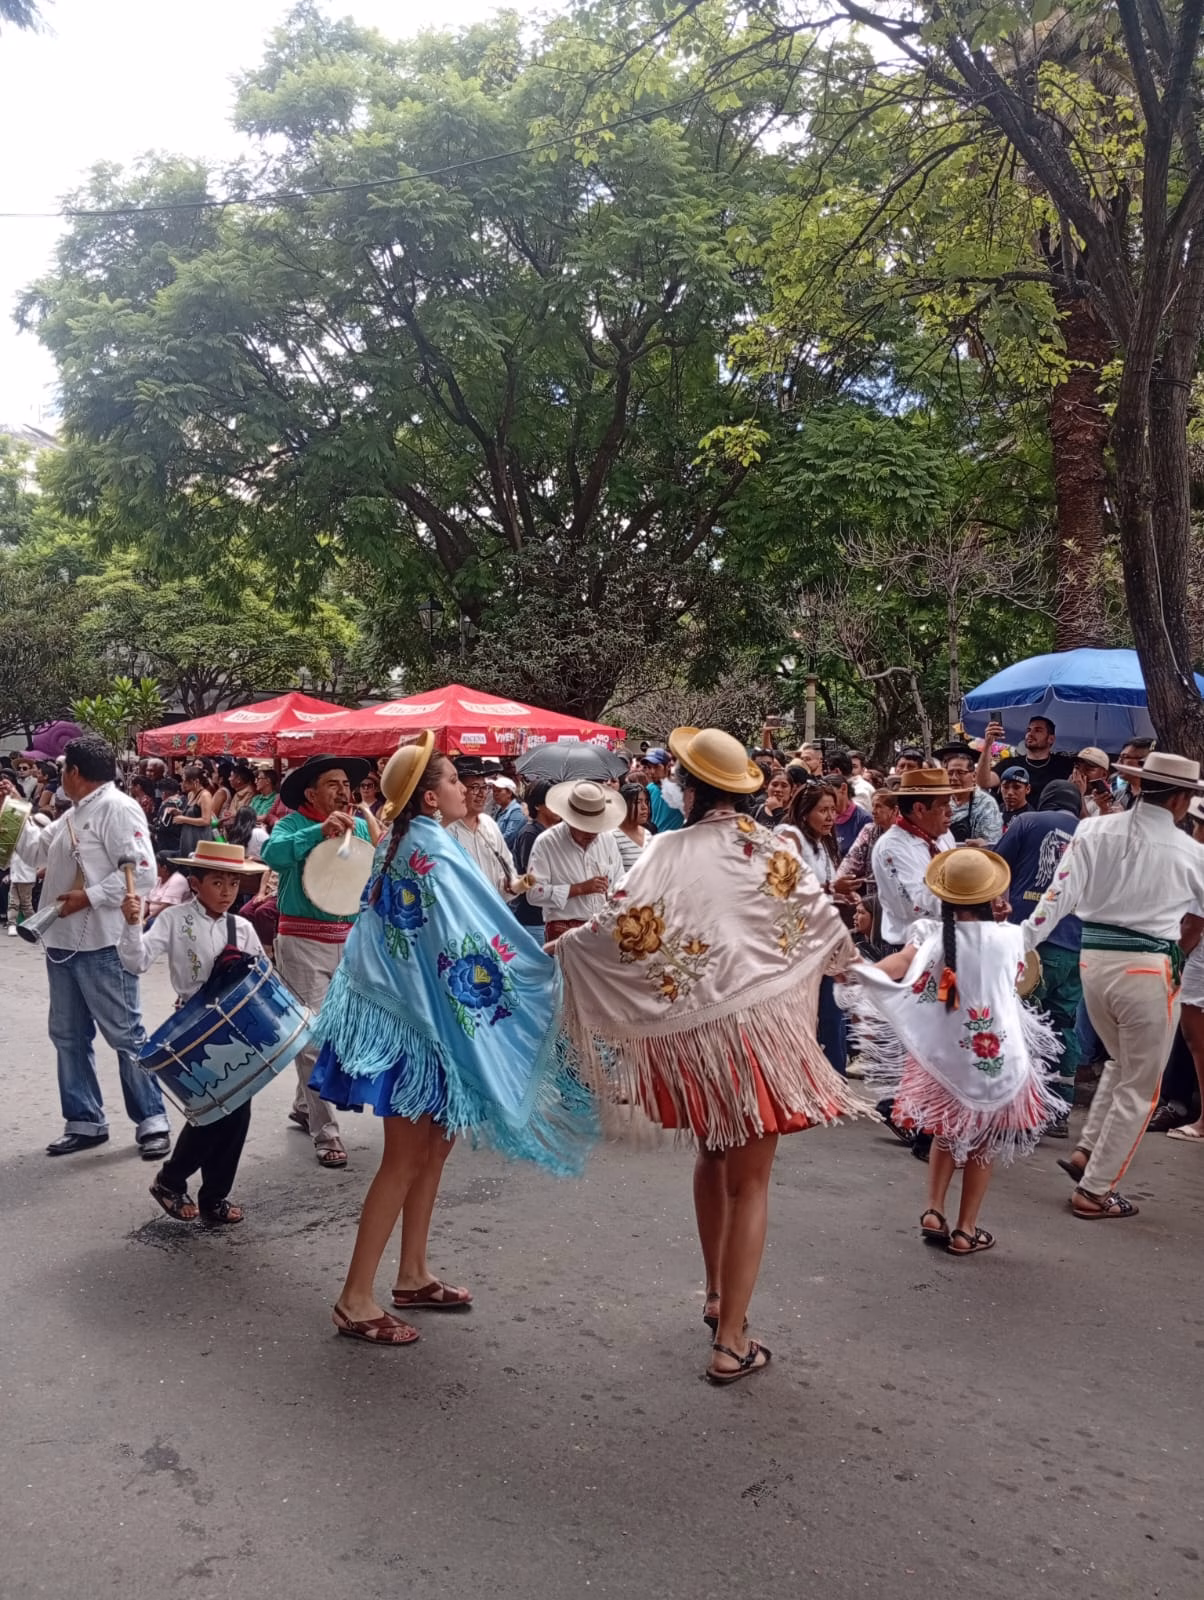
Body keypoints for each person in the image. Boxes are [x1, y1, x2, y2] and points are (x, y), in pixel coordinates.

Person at [556, 726, 871, 1385]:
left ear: (690, 790)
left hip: (701, 1041)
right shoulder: (773, 847)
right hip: (766, 1038)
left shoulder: (667, 848)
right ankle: (732, 1340)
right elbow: (823, 931)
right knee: (752, 1180)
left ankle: (715, 1294)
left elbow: (617, 925)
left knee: (712, 1155)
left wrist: (550, 956)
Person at [309, 732, 595, 1346]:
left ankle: (411, 1273)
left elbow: (459, 934)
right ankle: (355, 1297)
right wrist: (538, 963)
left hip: (418, 1021)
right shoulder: (428, 851)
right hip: (416, 1028)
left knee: (432, 1149)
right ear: (430, 797)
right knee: (406, 1158)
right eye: (451, 778)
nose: (465, 787)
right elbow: (470, 940)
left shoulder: (413, 842)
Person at [843, 848, 1063, 1255]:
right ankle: (965, 1229)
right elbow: (1049, 913)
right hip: (997, 1057)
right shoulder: (1012, 935)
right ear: (993, 896)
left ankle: (933, 1209)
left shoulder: (928, 933)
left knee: (945, 1132)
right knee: (984, 1144)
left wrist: (859, 971)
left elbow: (899, 964)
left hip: (945, 1056)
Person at [1020, 750, 1204, 1218]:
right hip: (1147, 970)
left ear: (1140, 786)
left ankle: (1088, 1153)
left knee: (1124, 1065)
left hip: (1094, 961)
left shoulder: (1093, 829)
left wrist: (1022, 941)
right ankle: (1095, 1190)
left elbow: (1057, 896)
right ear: (1182, 800)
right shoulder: (1191, 853)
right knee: (1142, 1086)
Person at [1, 737, 169, 1159]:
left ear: (75, 773)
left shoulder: (118, 808)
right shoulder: (76, 812)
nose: (61, 779)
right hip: (61, 942)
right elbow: (35, 850)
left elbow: (143, 874)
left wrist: (88, 897)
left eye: (63, 772)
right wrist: (9, 813)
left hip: (102, 943)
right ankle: (84, 1119)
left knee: (126, 1035)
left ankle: (152, 1119)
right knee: (68, 1035)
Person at [118, 840, 266, 1224]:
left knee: (238, 1111)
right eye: (218, 883)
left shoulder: (244, 927)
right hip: (194, 1029)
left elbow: (263, 980)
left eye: (233, 883)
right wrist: (132, 925)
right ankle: (172, 1180)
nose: (227, 892)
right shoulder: (173, 919)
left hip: (238, 1028)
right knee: (212, 1112)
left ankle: (214, 1196)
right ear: (195, 884)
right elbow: (135, 961)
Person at [261, 753, 374, 1169]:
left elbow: (378, 862)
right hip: (302, 941)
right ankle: (326, 1132)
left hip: (349, 939)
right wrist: (316, 832)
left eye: (347, 784)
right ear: (311, 793)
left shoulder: (360, 826)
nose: (344, 791)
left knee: (339, 1031)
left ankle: (304, 1103)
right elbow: (273, 855)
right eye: (333, 784)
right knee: (311, 1036)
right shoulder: (293, 824)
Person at [996, 780, 1084, 1134]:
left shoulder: (1026, 822)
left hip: (1030, 941)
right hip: (1076, 944)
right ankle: (1059, 1105)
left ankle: (1018, 1104)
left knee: (1021, 1020)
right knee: (1062, 1021)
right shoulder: (1091, 831)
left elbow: (997, 869)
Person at [527, 781, 626, 942]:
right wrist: (579, 888)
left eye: (596, 827)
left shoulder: (607, 840)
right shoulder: (547, 842)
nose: (591, 833)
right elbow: (533, 893)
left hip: (602, 928)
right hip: (563, 930)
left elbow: (621, 884)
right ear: (570, 819)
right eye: (584, 826)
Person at [978, 716, 1075, 805]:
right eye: (1028, 730)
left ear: (1051, 739)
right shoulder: (1009, 764)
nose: (1030, 734)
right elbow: (984, 782)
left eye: (1038, 730)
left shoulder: (1064, 765)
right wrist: (988, 745)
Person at [834, 789, 898, 899]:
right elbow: (852, 859)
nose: (873, 811)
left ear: (894, 810)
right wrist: (837, 882)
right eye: (873, 806)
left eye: (879, 806)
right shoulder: (869, 830)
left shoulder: (903, 834)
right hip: (873, 899)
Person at [943, 748, 1002, 846]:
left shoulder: (986, 803)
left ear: (974, 776)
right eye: (950, 773)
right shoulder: (941, 800)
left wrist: (983, 843)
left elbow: (992, 843)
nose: (953, 778)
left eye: (960, 773)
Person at [5, 810, 47, 935]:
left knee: (26, 904)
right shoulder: (15, 836)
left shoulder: (33, 831)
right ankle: (12, 924)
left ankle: (35, 925)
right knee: (13, 902)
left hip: (26, 877)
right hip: (15, 875)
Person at [826, 753, 872, 857]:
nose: (827, 800)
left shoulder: (864, 820)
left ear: (843, 789)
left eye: (831, 794)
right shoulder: (826, 818)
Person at [639, 747, 686, 833]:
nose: (652, 772)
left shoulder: (681, 790)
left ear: (668, 766)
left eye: (656, 767)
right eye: (649, 767)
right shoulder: (649, 789)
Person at [170, 764, 215, 844]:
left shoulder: (205, 796)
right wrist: (179, 812)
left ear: (196, 781)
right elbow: (194, 814)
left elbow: (206, 820)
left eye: (185, 781)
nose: (182, 784)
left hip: (200, 836)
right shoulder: (191, 794)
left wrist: (184, 819)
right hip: (188, 834)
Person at [615, 782, 651, 870]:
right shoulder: (613, 836)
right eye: (638, 802)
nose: (644, 807)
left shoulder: (648, 834)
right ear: (624, 805)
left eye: (646, 802)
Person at [146, 852, 192, 922]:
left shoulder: (178, 879)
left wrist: (146, 921)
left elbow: (166, 906)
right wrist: (139, 919)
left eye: (155, 864)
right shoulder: (157, 878)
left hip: (171, 919)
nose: (153, 867)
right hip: (153, 918)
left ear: (164, 868)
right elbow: (146, 901)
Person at [489, 775, 527, 848]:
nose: (496, 794)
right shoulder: (499, 811)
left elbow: (509, 837)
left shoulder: (517, 810)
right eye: (494, 791)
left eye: (499, 791)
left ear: (509, 793)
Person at [998, 767, 1034, 831]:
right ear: (1000, 787)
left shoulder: (1031, 818)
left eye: (1016, 787)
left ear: (1027, 789)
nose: (1010, 793)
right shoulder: (996, 810)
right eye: (1005, 787)